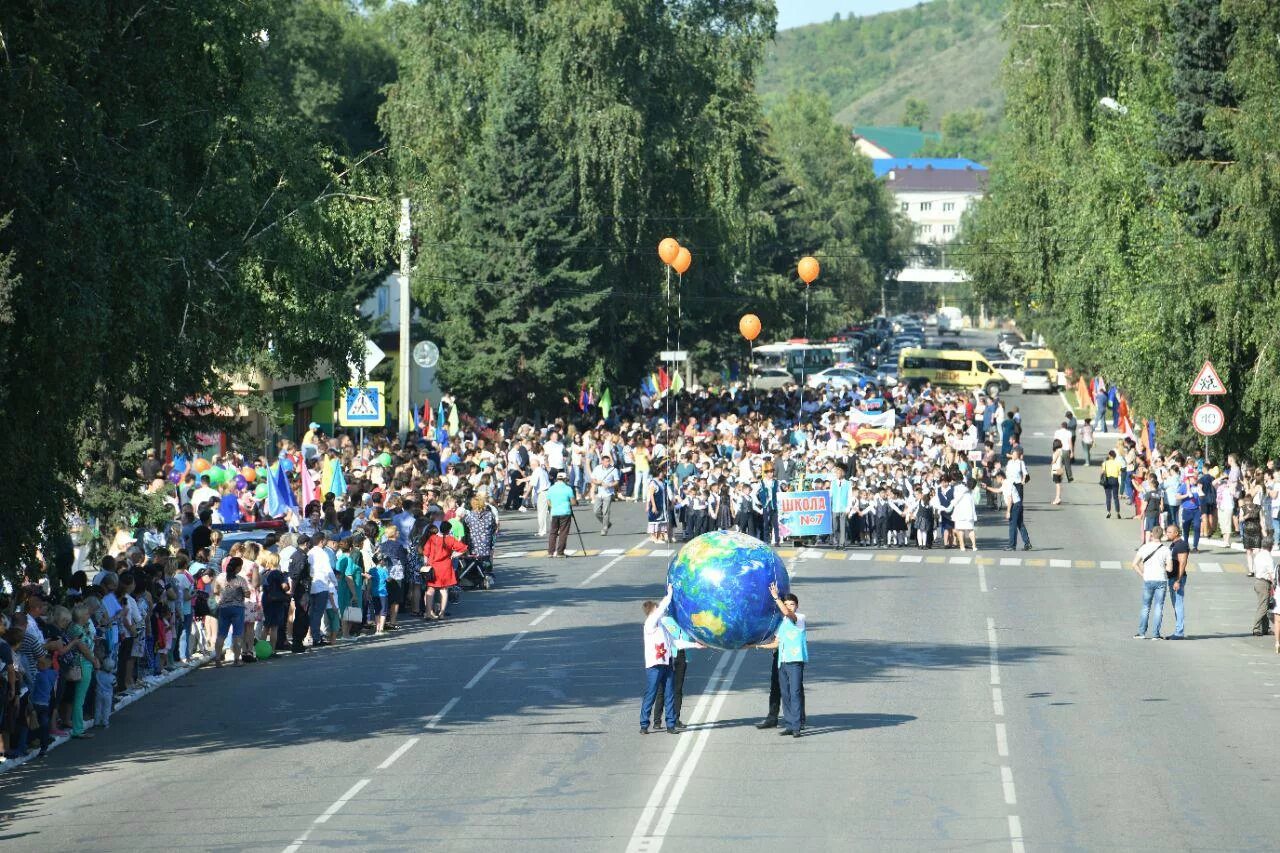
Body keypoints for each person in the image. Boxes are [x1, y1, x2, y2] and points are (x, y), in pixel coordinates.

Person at [755, 582, 807, 738]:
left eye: (792, 604)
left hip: (795, 660)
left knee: (795, 691)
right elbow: (776, 643)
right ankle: (790, 724)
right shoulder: (781, 624)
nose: (789, 607)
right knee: (785, 693)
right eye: (786, 604)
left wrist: (776, 597)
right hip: (782, 661)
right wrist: (755, 646)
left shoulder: (798, 618)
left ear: (796, 606)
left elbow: (787, 613)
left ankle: (797, 725)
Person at [650, 609, 702, 731]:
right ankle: (657, 720)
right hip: (667, 656)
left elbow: (692, 636)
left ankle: (675, 718)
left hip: (681, 656)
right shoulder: (663, 621)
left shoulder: (686, 622)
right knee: (662, 689)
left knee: (677, 689)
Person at [639, 584, 678, 735]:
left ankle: (671, 724)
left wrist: (695, 644)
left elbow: (674, 643)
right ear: (652, 611)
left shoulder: (662, 626)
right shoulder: (649, 624)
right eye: (657, 609)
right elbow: (661, 609)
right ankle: (644, 724)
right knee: (651, 693)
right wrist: (669, 594)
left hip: (667, 663)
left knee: (669, 694)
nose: (660, 612)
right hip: (654, 666)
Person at [423, 520, 467, 620]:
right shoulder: (451, 539)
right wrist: (454, 555)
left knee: (430, 590)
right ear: (449, 530)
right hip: (445, 567)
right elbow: (463, 548)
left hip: (433, 567)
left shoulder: (432, 538)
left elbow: (426, 552)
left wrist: (425, 563)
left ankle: (429, 612)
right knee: (444, 590)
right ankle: (442, 613)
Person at [1131, 530, 1171, 640]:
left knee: (1145, 607)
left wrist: (1142, 574)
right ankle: (1156, 634)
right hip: (1161, 580)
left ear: (1152, 535)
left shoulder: (1144, 547)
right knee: (1158, 607)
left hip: (1148, 579)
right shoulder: (1166, 549)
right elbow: (1170, 568)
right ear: (1162, 535)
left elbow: (1134, 564)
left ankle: (1142, 633)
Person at [213, 557, 250, 666]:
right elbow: (247, 594)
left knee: (221, 634)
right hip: (238, 608)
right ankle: (237, 660)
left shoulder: (220, 577)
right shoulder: (240, 580)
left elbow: (215, 591)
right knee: (237, 634)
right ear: (238, 567)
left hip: (223, 608)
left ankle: (218, 659)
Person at [1164, 523, 1190, 640]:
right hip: (1172, 578)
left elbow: (1183, 563)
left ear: (1176, 533)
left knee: (1178, 604)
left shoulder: (1181, 545)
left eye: (1169, 532)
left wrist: (1178, 580)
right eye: (1167, 531)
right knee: (1175, 605)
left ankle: (1179, 632)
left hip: (1177, 579)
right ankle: (1178, 630)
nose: (1167, 534)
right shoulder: (1174, 544)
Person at [546, 472, 575, 557]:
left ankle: (550, 552)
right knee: (563, 532)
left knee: (553, 532)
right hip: (565, 512)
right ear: (565, 479)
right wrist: (574, 502)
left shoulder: (551, 488)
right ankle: (560, 552)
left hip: (554, 512)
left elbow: (548, 502)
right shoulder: (568, 488)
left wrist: (555, 506)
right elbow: (573, 502)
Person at [590, 453, 620, 535]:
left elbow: (617, 481)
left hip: (608, 493)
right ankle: (607, 523)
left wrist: (610, 485)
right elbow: (592, 479)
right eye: (605, 462)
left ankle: (605, 528)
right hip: (599, 493)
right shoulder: (597, 468)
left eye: (608, 461)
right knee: (596, 511)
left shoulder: (613, 470)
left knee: (605, 511)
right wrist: (597, 482)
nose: (607, 463)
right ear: (602, 462)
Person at [1251, 546, 1276, 639]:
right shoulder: (1268, 558)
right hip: (1264, 583)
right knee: (1263, 607)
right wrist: (1274, 584)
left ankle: (1265, 628)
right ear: (1271, 546)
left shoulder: (1258, 556)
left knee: (1263, 605)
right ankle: (1256, 628)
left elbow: (1253, 569)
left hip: (1258, 581)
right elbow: (1271, 573)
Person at [1101, 450, 1123, 518]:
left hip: (1107, 480)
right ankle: (1118, 512)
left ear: (1109, 455)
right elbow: (1120, 473)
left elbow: (1102, 472)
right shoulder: (1118, 463)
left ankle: (1108, 511)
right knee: (1115, 497)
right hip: (1115, 480)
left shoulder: (1105, 463)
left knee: (1108, 497)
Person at [1050, 438, 1065, 505]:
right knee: (1058, 484)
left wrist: (1051, 463)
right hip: (1060, 468)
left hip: (1056, 469)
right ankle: (1057, 498)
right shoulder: (1061, 451)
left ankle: (1058, 498)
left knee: (1057, 484)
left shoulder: (1057, 451)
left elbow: (1054, 460)